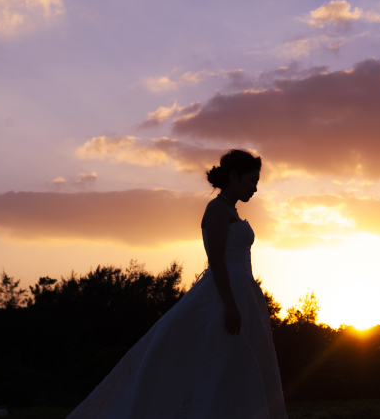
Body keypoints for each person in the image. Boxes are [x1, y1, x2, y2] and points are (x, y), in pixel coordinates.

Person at [67, 149, 287, 419]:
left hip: (243, 292)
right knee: (221, 356)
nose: (255, 187)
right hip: (225, 294)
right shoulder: (217, 208)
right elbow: (216, 260)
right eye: (252, 180)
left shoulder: (230, 209)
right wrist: (229, 304)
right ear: (234, 176)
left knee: (237, 360)